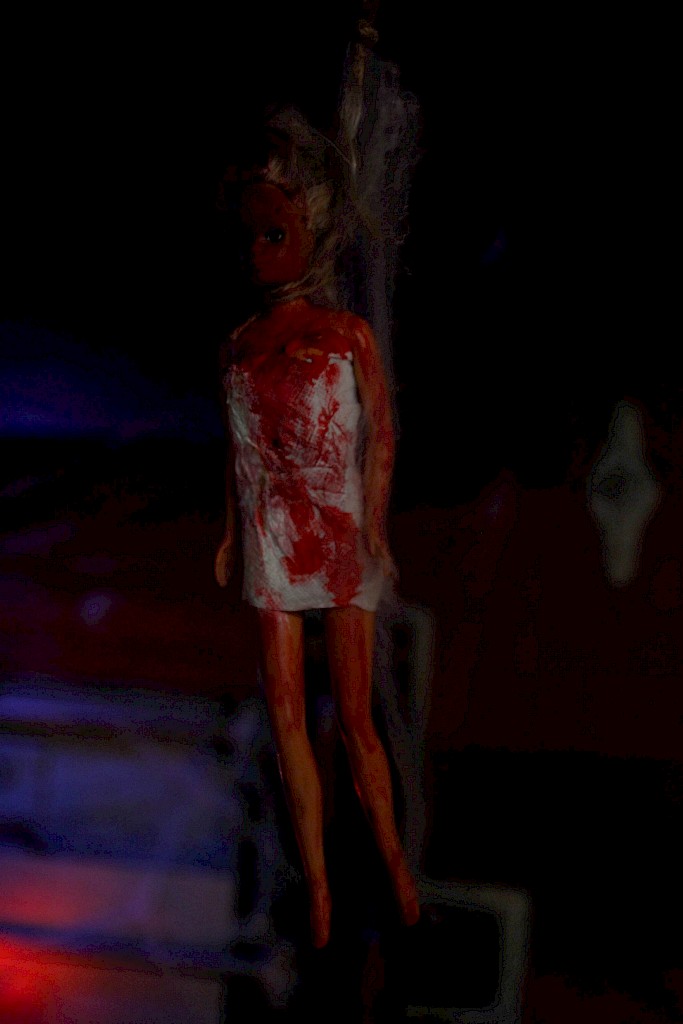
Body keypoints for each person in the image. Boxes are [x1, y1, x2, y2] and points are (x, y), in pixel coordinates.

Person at [214, 113, 419, 948]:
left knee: (356, 715)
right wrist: (233, 534)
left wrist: (374, 524)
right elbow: (237, 452)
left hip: (335, 528)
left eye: (275, 234)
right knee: (287, 717)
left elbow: (382, 433)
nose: (259, 253)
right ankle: (320, 883)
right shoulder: (238, 345)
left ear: (311, 236)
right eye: (250, 238)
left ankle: (392, 864)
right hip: (272, 532)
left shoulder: (344, 334)